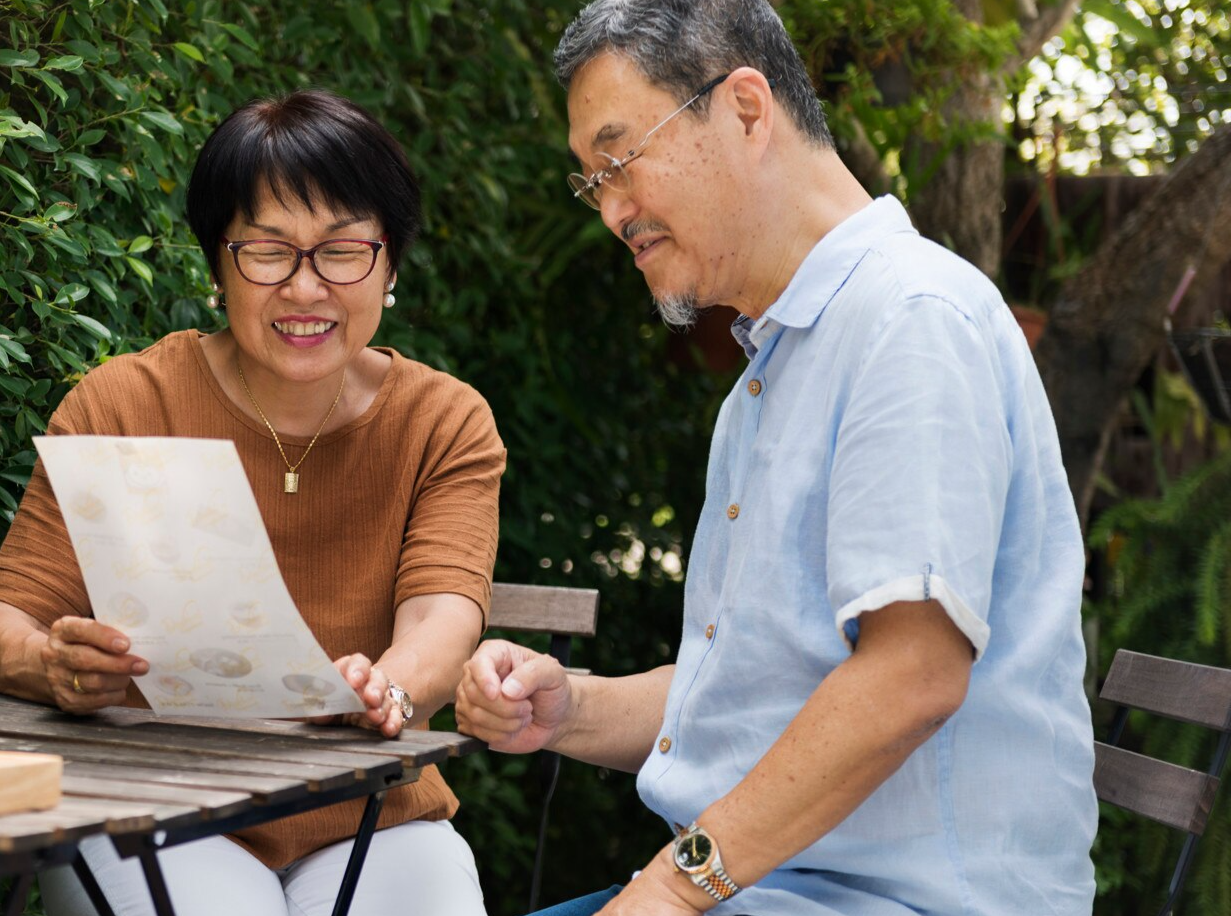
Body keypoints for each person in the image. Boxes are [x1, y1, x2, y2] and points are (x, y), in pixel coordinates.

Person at [455, 2, 1097, 914]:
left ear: (747, 109)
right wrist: (571, 708)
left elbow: (910, 675)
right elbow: (761, 685)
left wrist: (674, 891)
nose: (611, 212)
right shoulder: (776, 367)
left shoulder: (910, 319)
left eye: (622, 160)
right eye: (591, 182)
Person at [0, 88, 503, 916]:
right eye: (267, 251)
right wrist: (54, 667)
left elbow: (442, 618)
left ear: (388, 263)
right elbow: (1, 624)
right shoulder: (122, 404)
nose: (305, 287)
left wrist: (383, 690)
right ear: (218, 264)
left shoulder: (442, 421)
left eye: (341, 251)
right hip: (158, 804)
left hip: (372, 810)